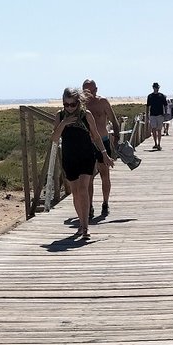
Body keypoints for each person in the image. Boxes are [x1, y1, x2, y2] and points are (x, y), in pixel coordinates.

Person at [51, 87, 113, 240]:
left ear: (79, 103)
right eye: (67, 104)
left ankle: (85, 227)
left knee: (84, 188)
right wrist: (64, 123)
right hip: (69, 157)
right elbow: (54, 138)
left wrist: (104, 154)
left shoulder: (86, 115)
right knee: (76, 192)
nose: (70, 108)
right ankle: (81, 223)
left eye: (73, 104)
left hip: (86, 155)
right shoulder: (60, 116)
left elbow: (97, 136)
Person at [82, 78, 120, 219]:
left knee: (105, 174)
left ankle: (105, 203)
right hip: (87, 143)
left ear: (95, 90)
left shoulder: (102, 102)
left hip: (102, 142)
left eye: (89, 90)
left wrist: (116, 139)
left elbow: (114, 121)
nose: (86, 93)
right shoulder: (80, 104)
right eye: (84, 90)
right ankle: (89, 205)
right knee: (88, 177)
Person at [146, 82, 168, 150]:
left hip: (160, 115)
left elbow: (165, 105)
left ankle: (159, 144)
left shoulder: (162, 96)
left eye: (157, 87)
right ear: (153, 88)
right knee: (153, 129)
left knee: (159, 130)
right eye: (155, 87)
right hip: (152, 115)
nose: (156, 88)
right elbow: (148, 106)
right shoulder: (150, 96)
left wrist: (165, 113)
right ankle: (155, 143)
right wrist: (147, 115)